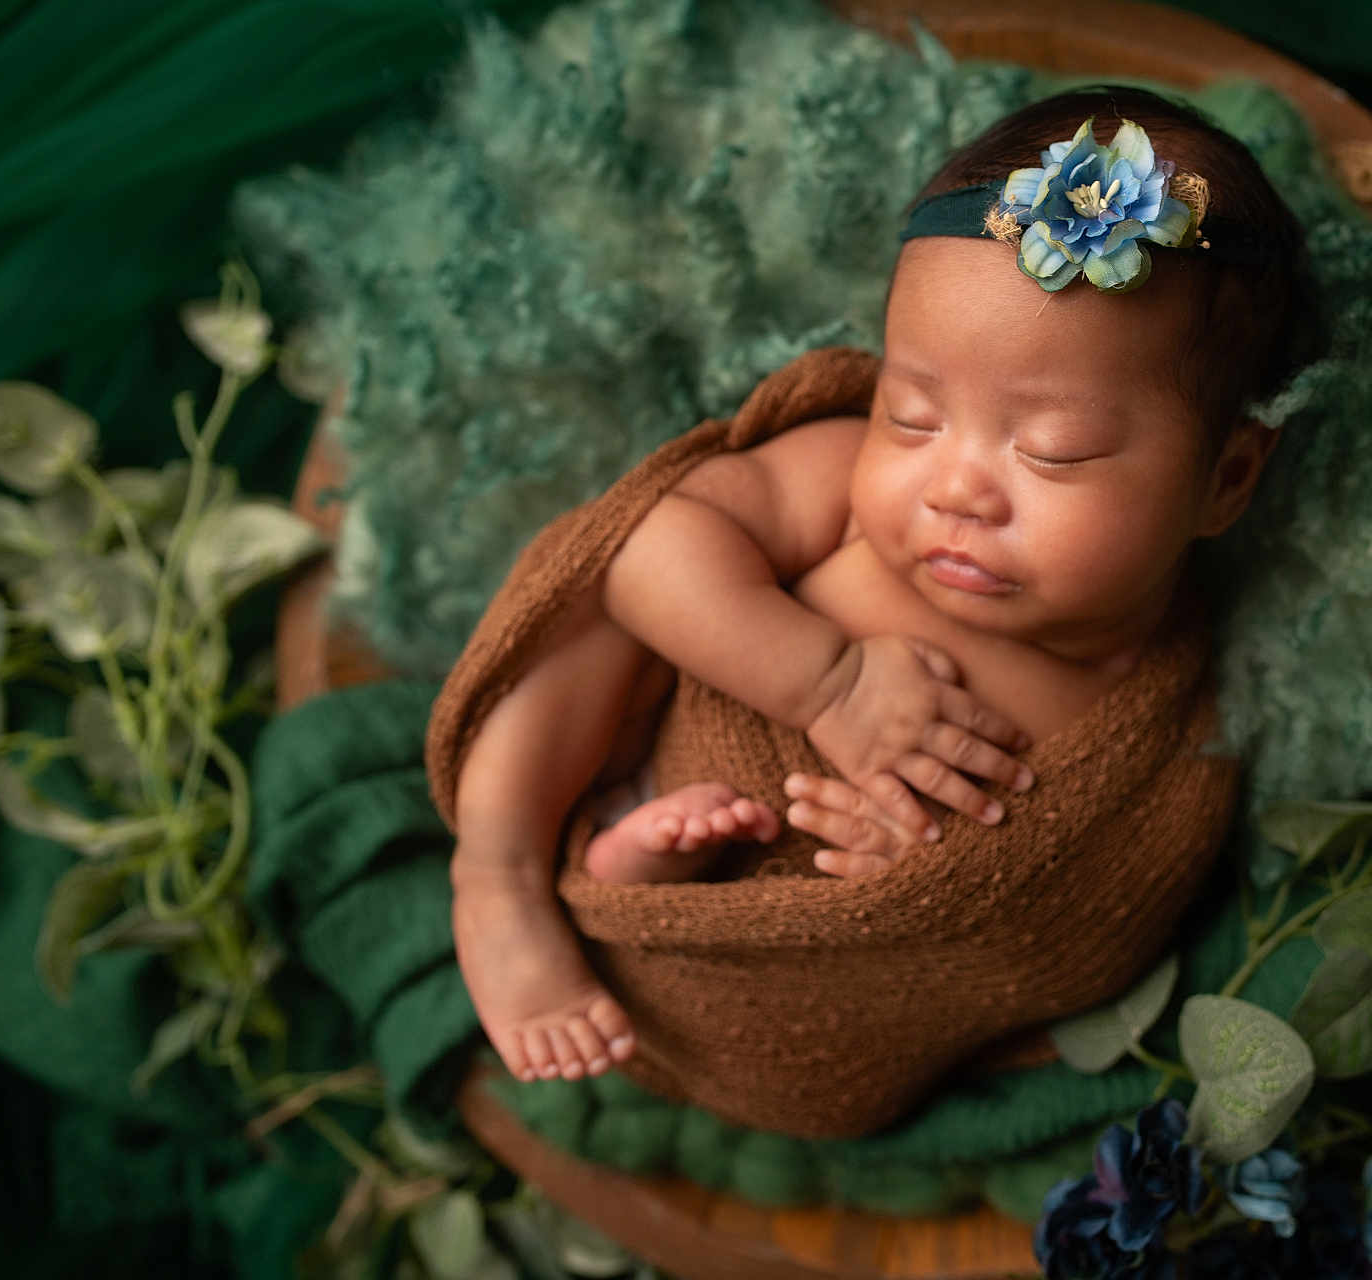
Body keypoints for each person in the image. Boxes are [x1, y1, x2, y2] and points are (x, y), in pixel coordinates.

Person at [439, 85, 1326, 1088]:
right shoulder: (840, 486)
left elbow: (1084, 931)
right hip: (635, 738)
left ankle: (636, 877)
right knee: (592, 569)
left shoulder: (1166, 728)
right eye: (912, 416)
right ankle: (502, 865)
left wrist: (933, 882)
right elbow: (649, 554)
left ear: (1227, 477)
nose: (954, 489)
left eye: (1053, 451)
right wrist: (829, 683)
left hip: (788, 974)